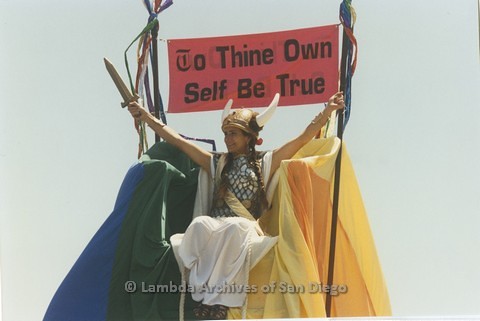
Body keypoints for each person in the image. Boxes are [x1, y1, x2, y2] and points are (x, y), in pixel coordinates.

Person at [127, 92, 344, 319]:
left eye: (233, 134)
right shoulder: (216, 162)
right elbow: (180, 142)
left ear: (249, 137)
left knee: (235, 228)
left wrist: (327, 112)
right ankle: (202, 293)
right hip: (216, 223)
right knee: (199, 224)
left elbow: (301, 140)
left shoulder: (265, 162)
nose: (228, 139)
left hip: (245, 225)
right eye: (226, 134)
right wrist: (147, 118)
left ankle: (220, 301)